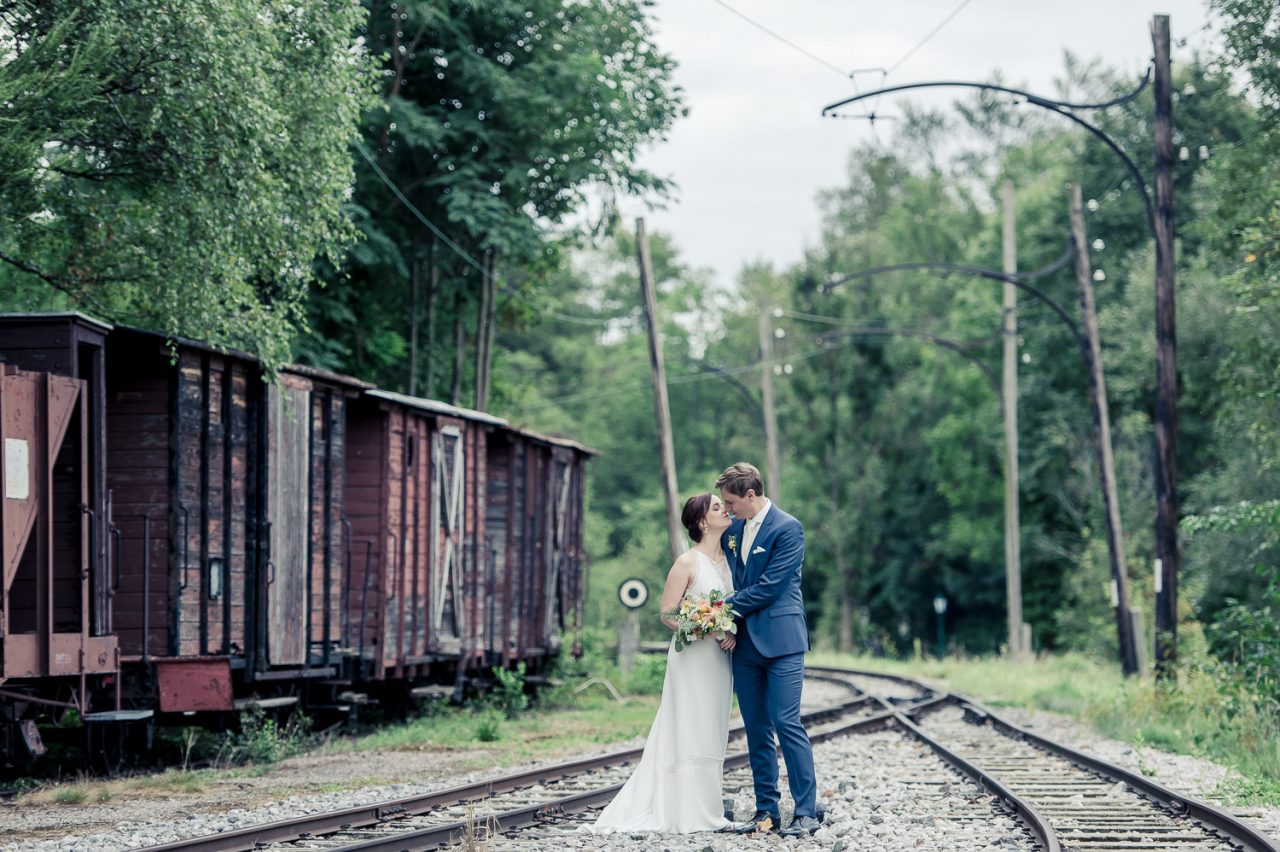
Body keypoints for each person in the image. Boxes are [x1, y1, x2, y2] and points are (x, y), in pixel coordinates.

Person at [581, 493, 737, 834]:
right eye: (716, 507)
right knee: (687, 725)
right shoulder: (687, 562)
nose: (724, 509)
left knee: (712, 727)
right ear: (701, 522)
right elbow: (667, 613)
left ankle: (707, 809)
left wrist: (730, 632)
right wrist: (706, 627)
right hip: (692, 656)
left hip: (720, 661)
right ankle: (682, 811)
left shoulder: (731, 560)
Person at [717, 462, 820, 837]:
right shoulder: (735, 531)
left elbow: (772, 586)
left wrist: (720, 611)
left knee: (786, 722)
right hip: (744, 644)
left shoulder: (788, 528)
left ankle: (806, 812)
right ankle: (766, 812)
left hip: (782, 642)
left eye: (731, 502)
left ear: (751, 494)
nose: (726, 509)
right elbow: (736, 577)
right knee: (756, 729)